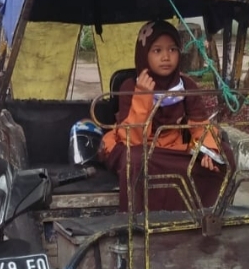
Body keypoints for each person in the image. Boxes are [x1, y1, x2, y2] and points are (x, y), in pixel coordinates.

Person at [99, 19, 231, 213]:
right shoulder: (129, 87)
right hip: (142, 150)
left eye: (172, 50)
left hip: (174, 151)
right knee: (134, 160)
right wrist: (143, 97)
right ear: (144, 55)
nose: (166, 57)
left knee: (225, 156)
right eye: (157, 50)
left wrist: (208, 150)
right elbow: (132, 139)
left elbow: (201, 126)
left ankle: (204, 217)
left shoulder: (186, 86)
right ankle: (137, 223)